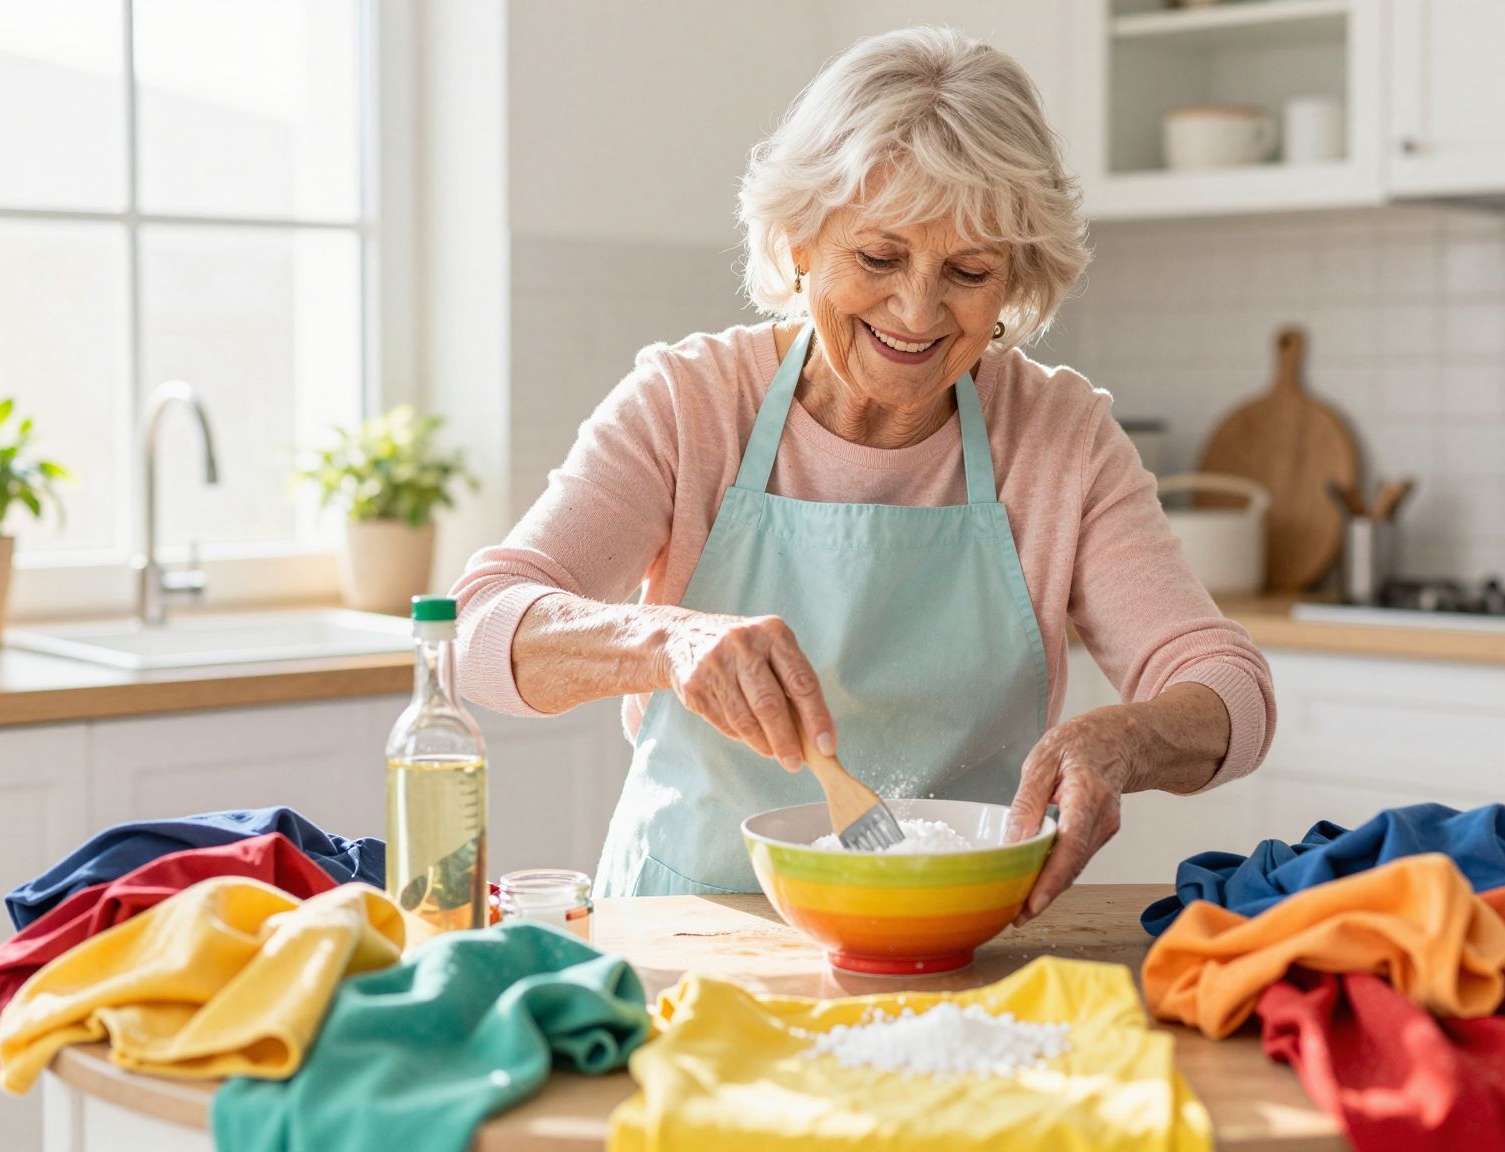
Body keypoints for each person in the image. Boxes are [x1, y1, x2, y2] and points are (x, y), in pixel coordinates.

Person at [451, 27, 1273, 920]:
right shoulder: (689, 404)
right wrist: (665, 644)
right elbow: (476, 629)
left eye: (968, 270)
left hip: (961, 934)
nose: (917, 311)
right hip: (688, 929)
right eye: (879, 258)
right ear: (800, 241)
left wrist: (1125, 740)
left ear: (1016, 280)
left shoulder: (1060, 437)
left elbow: (1227, 686)